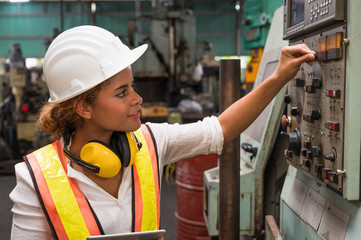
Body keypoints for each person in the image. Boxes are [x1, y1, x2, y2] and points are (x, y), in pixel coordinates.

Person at [9, 25, 315, 240]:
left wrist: (279, 76)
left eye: (133, 86)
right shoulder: (35, 180)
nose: (137, 99)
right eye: (121, 93)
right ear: (83, 107)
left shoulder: (150, 141)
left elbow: (222, 128)